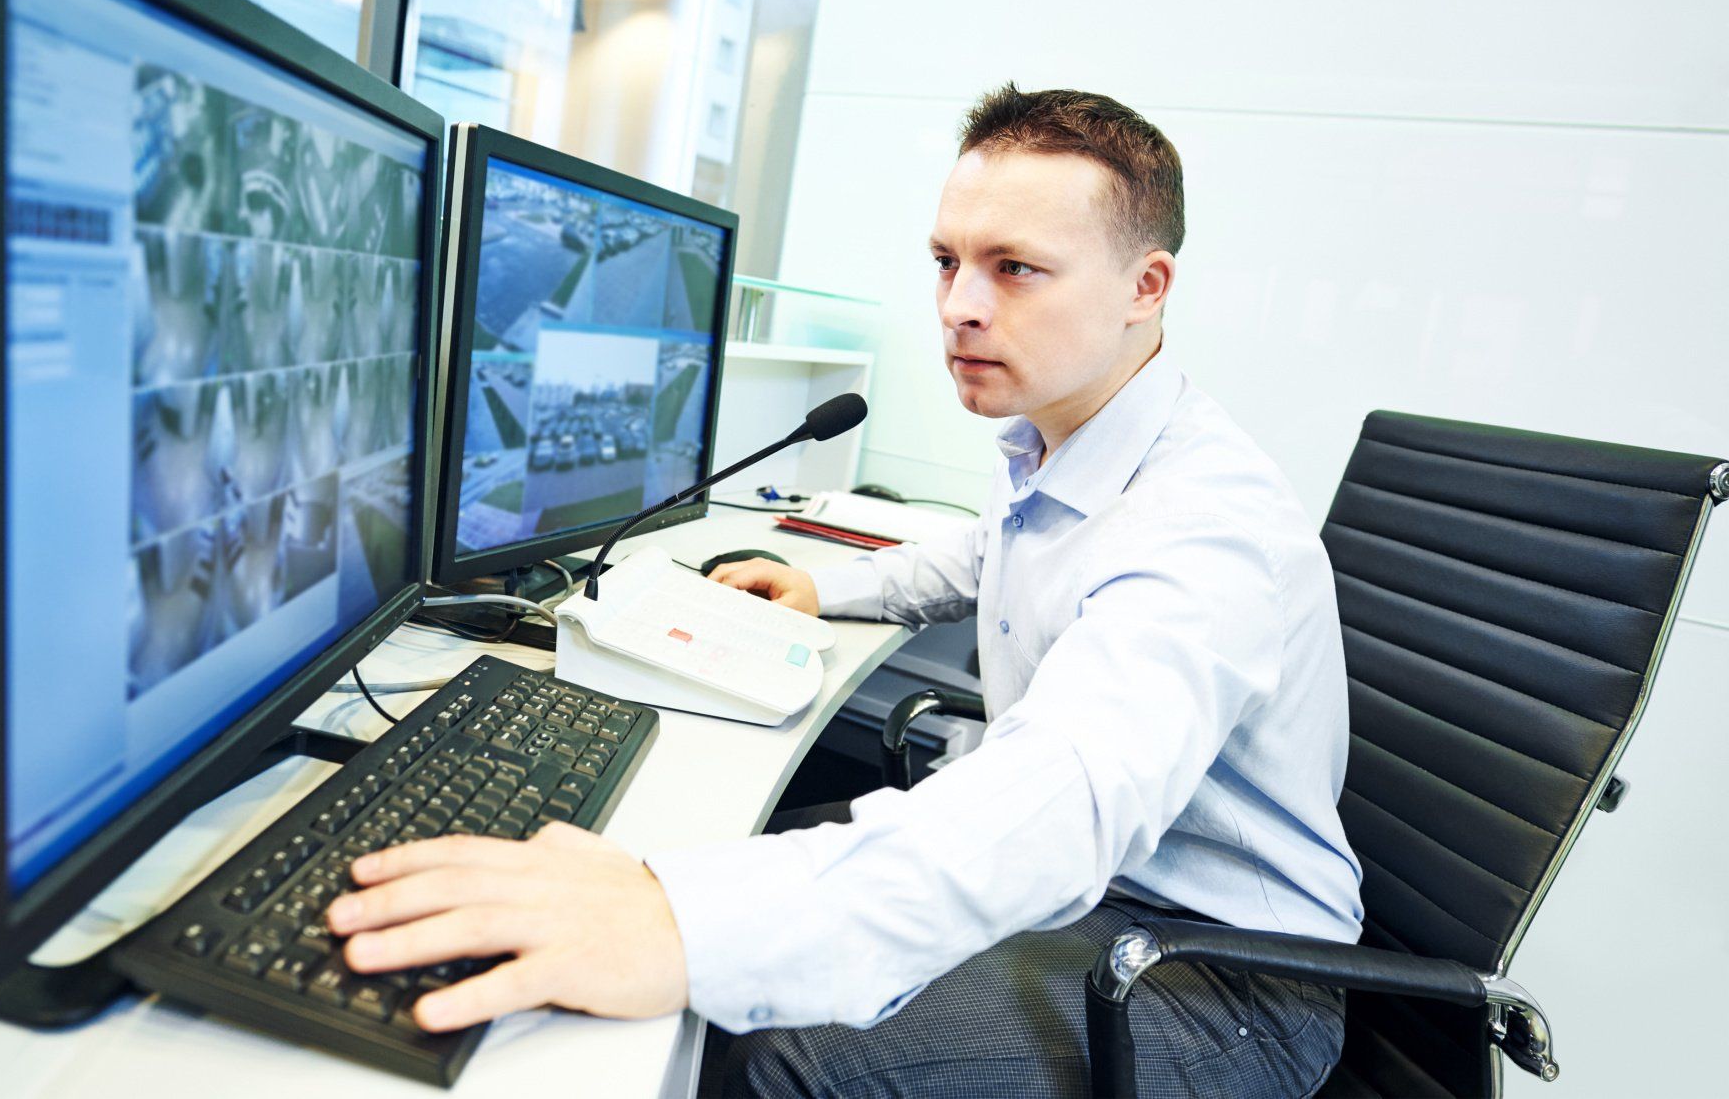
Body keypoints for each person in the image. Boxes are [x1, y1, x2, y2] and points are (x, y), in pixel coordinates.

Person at [323, 85, 1364, 1097]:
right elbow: (988, 553)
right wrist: (828, 588)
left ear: (1146, 287)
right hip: (1109, 913)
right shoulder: (1073, 443)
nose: (960, 306)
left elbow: (1065, 803)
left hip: (1217, 982)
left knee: (785, 1053)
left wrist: (676, 923)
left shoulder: (1205, 530)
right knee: (739, 906)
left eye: (1016, 269)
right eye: (947, 262)